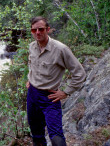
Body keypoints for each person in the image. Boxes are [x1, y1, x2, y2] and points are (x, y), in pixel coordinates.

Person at [26, 16, 86, 146]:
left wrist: (65, 92)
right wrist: (30, 79)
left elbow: (80, 73)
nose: (37, 33)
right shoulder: (32, 46)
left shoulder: (60, 49)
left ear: (48, 29)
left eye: (41, 29)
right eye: (34, 30)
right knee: (36, 134)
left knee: (56, 137)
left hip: (50, 97)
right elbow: (31, 64)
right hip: (32, 95)